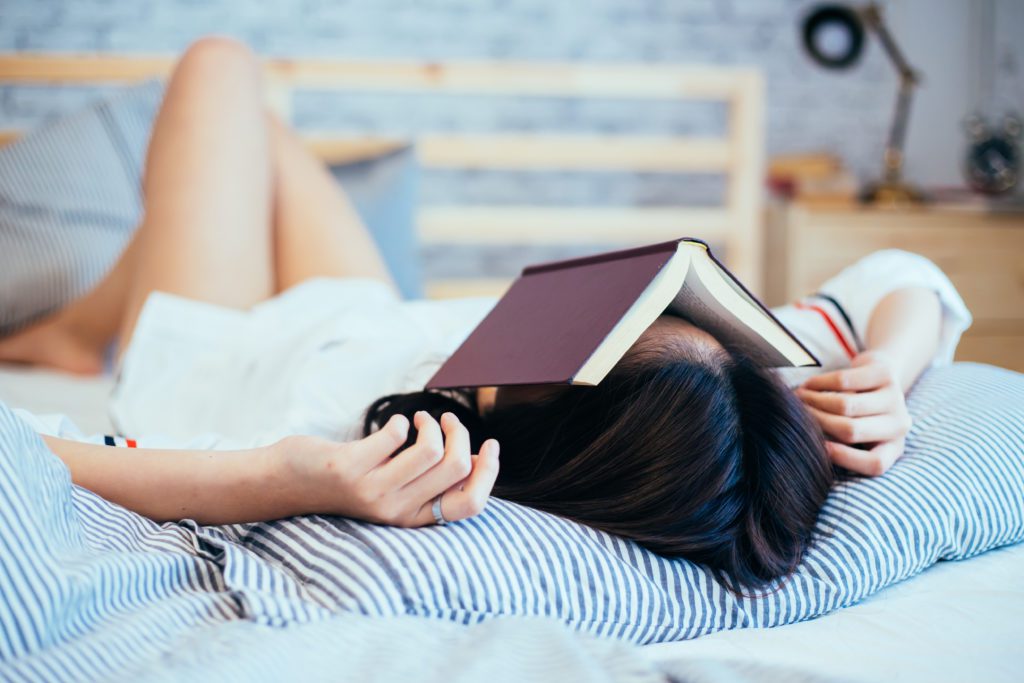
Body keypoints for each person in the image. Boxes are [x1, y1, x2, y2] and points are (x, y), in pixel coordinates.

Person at [0, 38, 971, 586]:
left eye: (606, 332)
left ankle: (81, 337)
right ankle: (75, 323)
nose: (607, 302)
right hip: (369, 311)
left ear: (515, 398)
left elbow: (30, 446)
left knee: (215, 68)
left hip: (224, 346)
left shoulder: (333, 448)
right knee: (243, 116)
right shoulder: (715, 404)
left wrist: (272, 477)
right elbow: (905, 270)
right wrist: (889, 365)